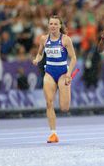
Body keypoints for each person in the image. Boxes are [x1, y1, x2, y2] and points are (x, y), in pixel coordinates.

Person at [32, 15, 77, 143]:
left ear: (60, 26)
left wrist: (69, 74)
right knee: (49, 102)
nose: (53, 26)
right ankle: (53, 133)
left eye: (55, 24)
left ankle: (67, 89)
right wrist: (37, 59)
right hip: (50, 73)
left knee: (64, 108)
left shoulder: (66, 40)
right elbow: (40, 53)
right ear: (48, 25)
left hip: (63, 73)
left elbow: (73, 58)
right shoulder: (44, 39)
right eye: (51, 24)